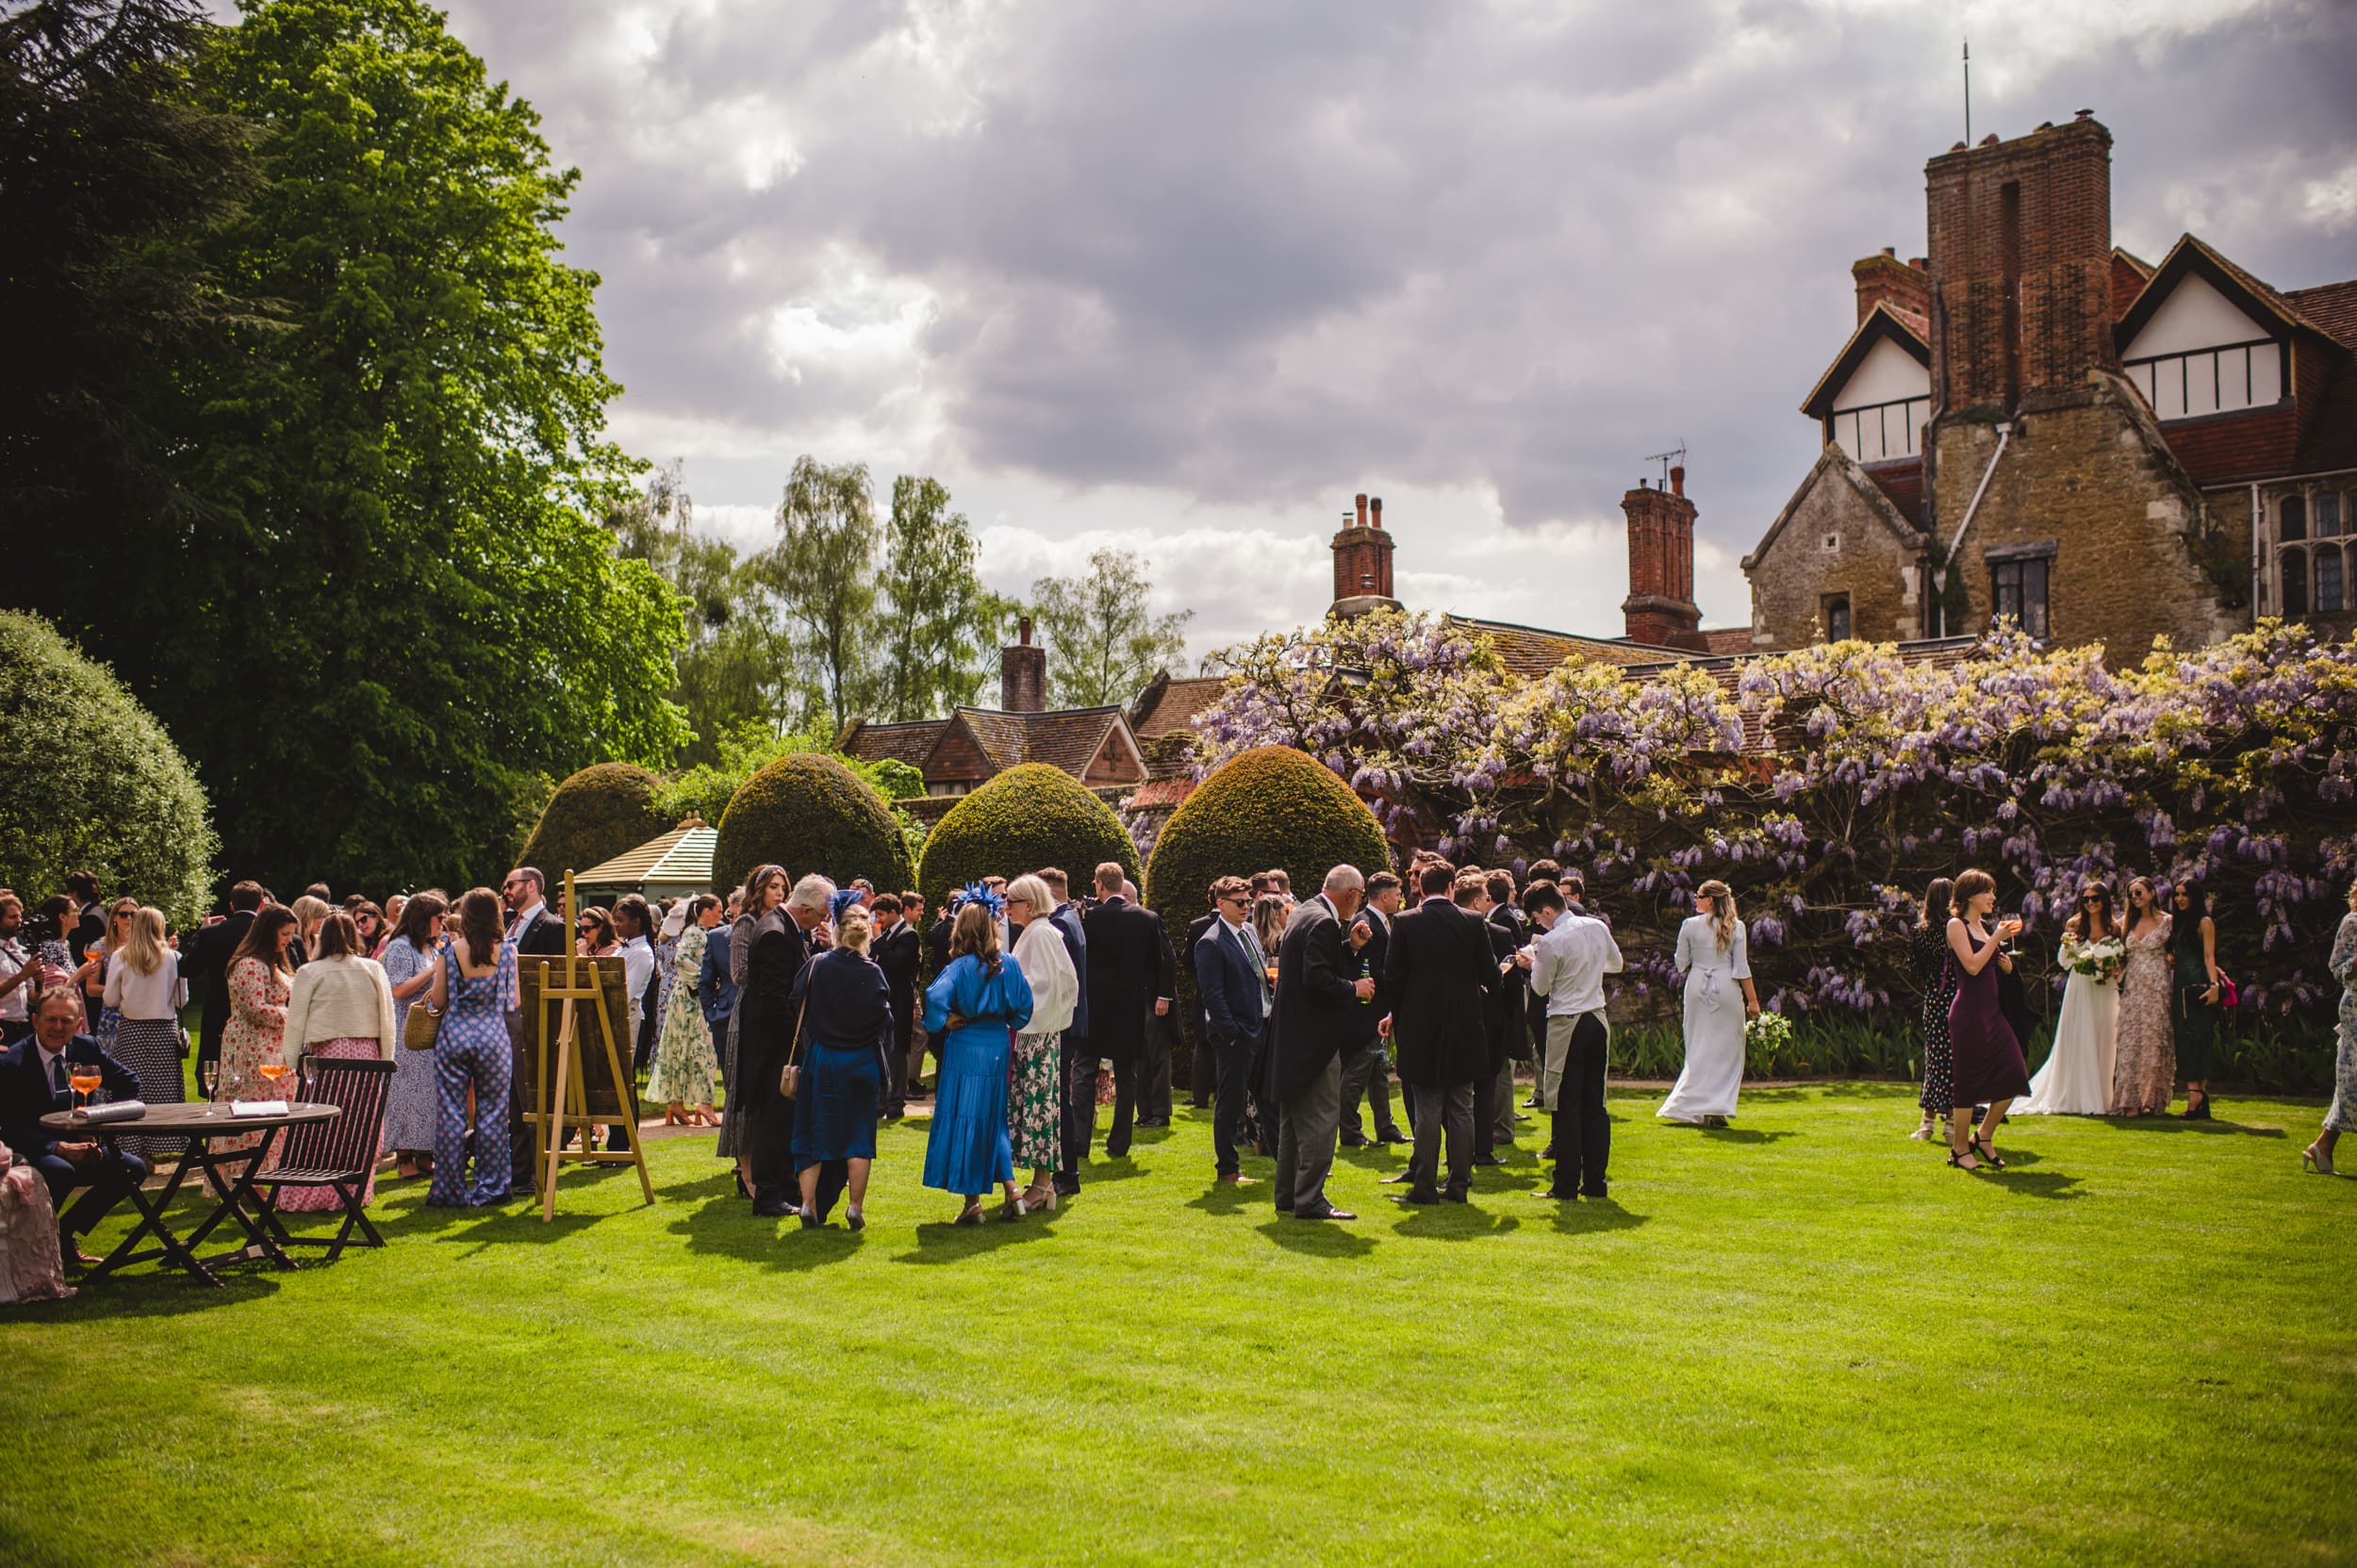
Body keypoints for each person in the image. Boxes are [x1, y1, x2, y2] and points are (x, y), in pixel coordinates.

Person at [0, 988, 147, 1269]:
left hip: (82, 1142)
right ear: (35, 1021)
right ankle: (35, 1244)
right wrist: (58, 1147)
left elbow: (129, 1082)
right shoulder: (12, 1063)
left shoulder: (86, 1048)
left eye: (66, 1021)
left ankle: (66, 1233)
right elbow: (9, 1125)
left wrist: (96, 1126)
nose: (58, 1028)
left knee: (133, 1168)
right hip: (35, 1146)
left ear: (78, 1024)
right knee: (60, 1171)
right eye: (50, 1020)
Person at [1383, 862, 1499, 1204]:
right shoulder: (1473, 922)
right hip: (1464, 1026)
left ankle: (1424, 1187)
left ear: (1421, 889)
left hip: (1420, 1028)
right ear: (1451, 886)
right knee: (1462, 1107)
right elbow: (1491, 975)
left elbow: (1393, 978)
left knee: (1428, 1109)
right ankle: (1459, 1185)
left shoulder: (1405, 923)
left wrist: (1400, 1016)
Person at [1269, 867, 1375, 1220]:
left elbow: (1313, 964)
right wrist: (1354, 988)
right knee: (1320, 1122)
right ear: (1351, 895)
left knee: (1292, 1122)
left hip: (1292, 1036)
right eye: (1359, 896)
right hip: (1313, 1040)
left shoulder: (1304, 912)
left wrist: (1350, 947)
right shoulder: (1324, 922)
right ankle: (1311, 1199)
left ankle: (1287, 1195)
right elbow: (1316, 978)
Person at [921, 897, 1034, 1224]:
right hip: (997, 1045)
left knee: (966, 1118)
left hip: (966, 1047)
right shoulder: (1009, 964)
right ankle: (1012, 1190)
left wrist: (945, 1021)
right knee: (992, 1119)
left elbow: (932, 1000)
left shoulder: (957, 968)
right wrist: (1005, 1020)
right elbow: (1024, 1008)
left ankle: (973, 1202)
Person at [783, 901, 893, 1230]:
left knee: (812, 1131)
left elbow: (794, 1002)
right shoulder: (872, 972)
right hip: (860, 1061)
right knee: (859, 1137)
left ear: (836, 930)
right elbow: (885, 1019)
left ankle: (807, 1203)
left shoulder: (817, 965)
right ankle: (855, 1207)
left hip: (823, 1058)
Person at [279, 910, 397, 1211]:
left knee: (322, 1125)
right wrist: (387, 1059)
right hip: (367, 1055)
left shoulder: (310, 971)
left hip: (326, 1056)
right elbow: (387, 1018)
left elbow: (295, 1021)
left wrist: (290, 1061)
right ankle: (353, 1190)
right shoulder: (372, 968)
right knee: (360, 1124)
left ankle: (316, 1190)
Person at [1523, 881, 1624, 1199]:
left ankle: (1565, 1184)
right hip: (1597, 1017)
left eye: (1539, 918)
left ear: (1548, 911)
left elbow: (1540, 987)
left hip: (1568, 1021)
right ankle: (1596, 1183)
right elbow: (1616, 964)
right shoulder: (1597, 926)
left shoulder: (1552, 941)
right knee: (1595, 1103)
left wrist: (1532, 962)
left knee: (1565, 1105)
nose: (1539, 924)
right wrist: (1588, 969)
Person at [742, 872, 833, 1217]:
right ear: (807, 910)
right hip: (774, 1046)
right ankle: (768, 1194)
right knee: (773, 1119)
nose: (824, 921)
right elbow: (774, 999)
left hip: (777, 1042)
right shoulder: (776, 934)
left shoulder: (782, 926)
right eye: (823, 915)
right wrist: (798, 1038)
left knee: (782, 1119)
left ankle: (783, 1186)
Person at [426, 888, 518, 1207]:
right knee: (493, 1113)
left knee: (451, 1113)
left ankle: (450, 1190)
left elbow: (438, 1000)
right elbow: (513, 1002)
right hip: (492, 1035)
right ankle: (491, 1186)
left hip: (454, 1034)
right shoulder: (507, 952)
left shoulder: (450, 951)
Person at [1080, 863, 1174, 1162]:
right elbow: (1161, 961)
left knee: (1084, 1073)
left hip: (1094, 1008)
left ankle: (1079, 1141)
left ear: (1099, 885)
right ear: (1121, 885)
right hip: (1130, 1007)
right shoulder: (1147, 919)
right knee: (1127, 1075)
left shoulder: (1087, 918)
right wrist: (1160, 995)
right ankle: (1119, 1142)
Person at [1944, 869, 2029, 1171]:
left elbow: (1990, 966)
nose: (1993, 897)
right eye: (1988, 892)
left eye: (1993, 891)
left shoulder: (1984, 926)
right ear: (1969, 896)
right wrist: (1996, 938)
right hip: (1968, 1015)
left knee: (2015, 1073)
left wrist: (2006, 968)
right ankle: (1958, 1149)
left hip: (1993, 1013)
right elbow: (1972, 966)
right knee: (1967, 1082)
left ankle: (1983, 1136)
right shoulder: (1957, 925)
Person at [1656, 879, 1758, 1128]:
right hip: (1727, 988)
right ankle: (1715, 1107)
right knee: (1727, 1050)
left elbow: (1681, 962)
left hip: (1697, 987)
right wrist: (1753, 1000)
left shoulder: (1689, 926)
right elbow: (1741, 968)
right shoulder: (1738, 926)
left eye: (1698, 896)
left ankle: (1698, 1106)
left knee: (1699, 1047)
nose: (1695, 899)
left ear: (1709, 900)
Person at [2019, 880, 2122, 1116]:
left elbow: (2120, 960)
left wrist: (2112, 968)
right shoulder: (2074, 924)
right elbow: (2064, 962)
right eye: (2085, 899)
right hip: (2080, 985)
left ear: (2104, 900)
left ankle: (2102, 1097)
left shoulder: (2114, 927)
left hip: (2105, 987)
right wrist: (2073, 947)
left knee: (2104, 1038)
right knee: (2080, 1034)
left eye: (2095, 898)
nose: (2090, 903)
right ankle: (2077, 1096)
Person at [1006, 875, 1077, 1212]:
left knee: (1040, 1110)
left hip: (1037, 1037)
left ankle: (1042, 1184)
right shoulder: (1036, 933)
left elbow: (1046, 984)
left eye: (1011, 902)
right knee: (1033, 1109)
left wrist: (1007, 990)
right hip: (1035, 1036)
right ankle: (1040, 1183)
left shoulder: (1041, 934)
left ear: (1029, 904)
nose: (1006, 908)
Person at [1195, 876, 1268, 1188]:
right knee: (1231, 1101)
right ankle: (1227, 1167)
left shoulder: (1249, 931)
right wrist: (1232, 1032)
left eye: (1249, 901)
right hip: (1236, 1034)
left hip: (1261, 1023)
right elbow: (1212, 994)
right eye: (1239, 902)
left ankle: (1286, 1158)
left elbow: (1255, 974)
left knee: (1269, 1097)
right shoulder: (1210, 942)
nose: (1246, 907)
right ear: (1220, 904)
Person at [99, 906, 188, 1160]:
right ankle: (161, 1144)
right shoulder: (174, 958)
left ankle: (131, 1146)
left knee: (130, 1089)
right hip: (163, 1030)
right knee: (163, 1090)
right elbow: (182, 1000)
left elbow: (110, 997)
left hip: (132, 1030)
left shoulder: (121, 956)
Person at [717, 868, 779, 1194]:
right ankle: (745, 1172)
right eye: (773, 887)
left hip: (773, 1010)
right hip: (749, 1011)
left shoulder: (782, 921)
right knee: (744, 1088)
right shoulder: (747, 923)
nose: (779, 892)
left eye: (783, 887)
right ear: (758, 890)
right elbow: (738, 972)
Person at [379, 890, 447, 1179]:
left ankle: (423, 1152)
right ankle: (404, 1156)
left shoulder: (430, 947)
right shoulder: (400, 948)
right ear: (423, 919)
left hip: (429, 1031)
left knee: (426, 1096)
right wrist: (434, 969)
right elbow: (398, 989)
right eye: (439, 917)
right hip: (406, 1031)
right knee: (406, 1094)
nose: (443, 922)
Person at [1339, 870, 1407, 1147]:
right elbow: (1366, 968)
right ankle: (1351, 1131)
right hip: (1366, 1010)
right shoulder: (1366, 923)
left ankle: (1385, 1125)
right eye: (1398, 894)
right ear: (1385, 895)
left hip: (1378, 1009)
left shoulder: (1380, 922)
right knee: (1357, 1073)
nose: (1401, 899)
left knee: (1379, 1069)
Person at [649, 894, 721, 1128]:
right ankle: (701, 1103)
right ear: (706, 911)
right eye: (717, 911)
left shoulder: (702, 933)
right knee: (699, 1048)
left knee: (688, 1048)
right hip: (691, 999)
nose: (720, 915)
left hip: (692, 997)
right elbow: (682, 960)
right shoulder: (694, 933)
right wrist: (704, 981)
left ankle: (678, 1104)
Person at [214, 905, 298, 1107]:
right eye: (285, 934)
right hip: (251, 1049)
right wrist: (293, 1016)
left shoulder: (273, 962)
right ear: (268, 932)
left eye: (291, 934)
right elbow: (255, 1009)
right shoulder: (249, 965)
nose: (289, 940)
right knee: (253, 1108)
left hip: (274, 1049)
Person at [1041, 869, 1092, 1198]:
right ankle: (1066, 1172)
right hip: (1074, 1021)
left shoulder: (1059, 925)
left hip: (1063, 1022)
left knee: (1059, 1100)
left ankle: (1067, 1174)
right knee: (1063, 1097)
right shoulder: (1071, 917)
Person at [2302, 877, 2357, 1175]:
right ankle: (2322, 1146)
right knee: (2352, 1081)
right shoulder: (2353, 921)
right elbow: (2338, 967)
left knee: (2351, 1083)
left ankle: (2322, 1147)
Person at [184, 880, 262, 1084]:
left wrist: (200, 933)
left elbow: (186, 968)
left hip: (218, 1008)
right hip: (257, 1009)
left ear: (232, 905)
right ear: (261, 905)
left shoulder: (211, 933)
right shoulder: (265, 933)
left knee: (215, 1072)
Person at [2110, 877, 2176, 1116]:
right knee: (2130, 1041)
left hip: (2158, 985)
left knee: (2154, 1041)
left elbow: (2182, 949)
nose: (2135, 898)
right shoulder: (2125, 923)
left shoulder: (2168, 921)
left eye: (2139, 893)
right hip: (2133, 986)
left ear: (2151, 892)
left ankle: (2152, 1100)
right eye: (2131, 894)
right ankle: (2129, 1100)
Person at [1909, 879, 1960, 1140]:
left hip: (1934, 999)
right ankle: (1951, 1123)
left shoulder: (1919, 931)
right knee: (1955, 1063)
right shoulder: (1956, 928)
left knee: (1935, 1061)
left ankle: (1926, 1123)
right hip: (1957, 997)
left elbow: (1916, 969)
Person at [1484, 870, 1531, 1148]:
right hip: (1501, 1005)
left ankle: (1503, 1125)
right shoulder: (1500, 918)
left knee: (1502, 1072)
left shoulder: (1503, 922)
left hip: (1502, 1007)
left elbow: (1511, 966)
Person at [2170, 883, 2225, 1120]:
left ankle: (2196, 1095)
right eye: (2177, 894)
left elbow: (2209, 955)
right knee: (2184, 1035)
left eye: (2185, 895)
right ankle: (2198, 1095)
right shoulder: (2180, 922)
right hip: (2180, 982)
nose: (2180, 899)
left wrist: (2214, 986)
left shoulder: (2204, 921)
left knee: (2197, 1035)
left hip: (2196, 984)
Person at [869, 894, 921, 1119]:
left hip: (900, 1000)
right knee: (883, 1048)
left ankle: (896, 1102)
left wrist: (878, 940)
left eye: (881, 914)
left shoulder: (909, 934)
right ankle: (882, 1099)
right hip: (884, 1001)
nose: (878, 919)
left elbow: (897, 964)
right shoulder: (890, 934)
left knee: (898, 1050)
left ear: (893, 912)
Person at [0, 892, 37, 1048]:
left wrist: (40, 982)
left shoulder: (21, 951)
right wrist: (22, 975)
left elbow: (33, 998)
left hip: (23, 1027)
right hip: (2, 1027)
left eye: (19, 916)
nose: (19, 921)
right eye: (12, 917)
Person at [288, 894, 331, 967]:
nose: (324, 921)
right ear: (308, 917)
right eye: (322, 916)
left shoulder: (316, 940)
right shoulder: (291, 941)